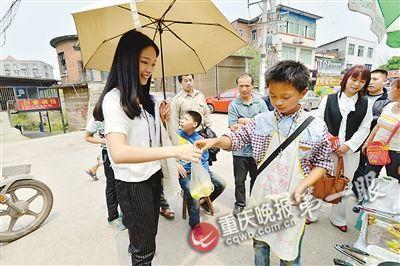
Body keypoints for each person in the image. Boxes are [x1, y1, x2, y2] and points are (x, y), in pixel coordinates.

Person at [195, 61, 333, 265]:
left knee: (289, 254)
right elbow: (236, 139)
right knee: (260, 245)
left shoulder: (316, 128)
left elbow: (323, 163)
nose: (278, 102)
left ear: (303, 93)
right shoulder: (262, 121)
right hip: (262, 197)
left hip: (293, 201)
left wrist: (303, 186)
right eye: (273, 95)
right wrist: (216, 140)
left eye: (285, 97)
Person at [93, 30, 202, 265]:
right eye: (144, 62)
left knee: (149, 237)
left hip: (153, 176)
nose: (149, 69)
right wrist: (174, 151)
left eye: (152, 63)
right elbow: (119, 153)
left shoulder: (148, 99)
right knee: (143, 248)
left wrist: (161, 121)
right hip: (133, 185)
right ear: (126, 59)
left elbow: (149, 140)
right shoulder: (115, 99)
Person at [308, 65, 373, 232]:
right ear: (346, 79)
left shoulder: (366, 104)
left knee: (344, 184)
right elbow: (319, 123)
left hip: (350, 153)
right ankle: (311, 213)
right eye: (354, 79)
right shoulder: (328, 99)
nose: (356, 83)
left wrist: (347, 146)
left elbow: (365, 129)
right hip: (326, 150)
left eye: (362, 81)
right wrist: (330, 141)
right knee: (317, 180)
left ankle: (338, 218)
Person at [177, 111, 226, 235]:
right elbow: (167, 153)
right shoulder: (176, 135)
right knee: (194, 193)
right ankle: (195, 224)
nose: (182, 120)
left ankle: (203, 204)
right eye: (182, 118)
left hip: (200, 172)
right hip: (184, 173)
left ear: (194, 124)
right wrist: (176, 164)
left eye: (185, 119)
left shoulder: (200, 140)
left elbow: (204, 161)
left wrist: (204, 178)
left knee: (221, 184)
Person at [228, 73, 268, 217]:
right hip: (239, 151)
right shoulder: (233, 105)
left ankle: (254, 204)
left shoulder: (260, 103)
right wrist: (254, 122)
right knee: (239, 180)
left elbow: (265, 125)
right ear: (237, 87)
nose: (244, 89)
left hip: (258, 151)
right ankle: (239, 204)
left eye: (247, 85)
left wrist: (244, 121)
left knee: (256, 180)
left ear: (252, 86)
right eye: (241, 86)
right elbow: (232, 127)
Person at [352, 69, 391, 207]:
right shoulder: (359, 96)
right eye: (370, 79)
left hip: (373, 143)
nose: (371, 82)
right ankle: (357, 193)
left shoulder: (388, 102)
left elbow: (379, 123)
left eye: (376, 79)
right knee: (354, 169)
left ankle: (362, 199)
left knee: (368, 171)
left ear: (385, 81)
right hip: (354, 139)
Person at [85, 117, 125, 230]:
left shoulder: (121, 110)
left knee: (123, 182)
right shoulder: (98, 117)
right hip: (108, 153)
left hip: (124, 151)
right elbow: (87, 137)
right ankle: (113, 217)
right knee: (112, 185)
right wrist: (104, 141)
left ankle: (124, 212)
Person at [362, 78, 400, 182]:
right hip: (377, 147)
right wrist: (367, 142)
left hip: (396, 153)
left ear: (398, 90)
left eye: (392, 88)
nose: (389, 91)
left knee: (394, 181)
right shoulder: (389, 105)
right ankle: (364, 198)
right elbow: (378, 126)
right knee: (368, 177)